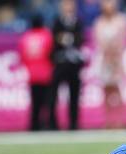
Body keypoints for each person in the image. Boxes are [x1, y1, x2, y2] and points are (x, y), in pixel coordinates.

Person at [49, 0, 85, 130]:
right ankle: (53, 124)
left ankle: (74, 123)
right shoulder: (57, 21)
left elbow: (80, 39)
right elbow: (54, 38)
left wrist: (66, 38)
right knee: (53, 95)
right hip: (60, 62)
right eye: (65, 5)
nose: (68, 7)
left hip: (73, 63)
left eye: (70, 5)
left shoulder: (77, 21)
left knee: (74, 94)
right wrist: (66, 38)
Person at [93, 0, 126, 129]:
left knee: (118, 90)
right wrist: (106, 55)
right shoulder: (99, 22)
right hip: (104, 60)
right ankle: (108, 121)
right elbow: (99, 42)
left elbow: (122, 40)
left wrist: (115, 57)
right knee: (106, 91)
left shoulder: (121, 20)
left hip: (117, 60)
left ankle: (120, 121)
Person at [19, 14, 54, 131]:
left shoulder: (26, 37)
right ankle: (48, 125)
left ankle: (34, 125)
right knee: (48, 103)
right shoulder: (47, 35)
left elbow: (23, 57)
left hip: (33, 75)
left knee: (35, 103)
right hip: (46, 73)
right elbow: (51, 53)